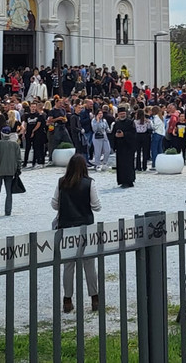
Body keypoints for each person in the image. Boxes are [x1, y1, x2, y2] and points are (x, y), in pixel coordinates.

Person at [52, 154, 102, 314]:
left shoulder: (62, 182)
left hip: (66, 227)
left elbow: (54, 204)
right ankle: (94, 297)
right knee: (89, 264)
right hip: (85, 226)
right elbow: (96, 206)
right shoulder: (89, 183)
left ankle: (67, 300)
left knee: (68, 265)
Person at [0, 126, 22, 217]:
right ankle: (8, 211)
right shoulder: (15, 145)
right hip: (10, 171)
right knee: (9, 192)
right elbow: (19, 159)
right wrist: (18, 169)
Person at [114, 107, 137, 188]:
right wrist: (116, 136)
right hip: (120, 147)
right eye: (120, 114)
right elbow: (113, 134)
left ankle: (129, 181)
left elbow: (134, 134)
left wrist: (124, 135)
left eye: (123, 114)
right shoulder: (116, 123)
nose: (122, 115)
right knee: (121, 165)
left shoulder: (130, 122)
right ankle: (122, 181)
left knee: (128, 164)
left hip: (128, 147)